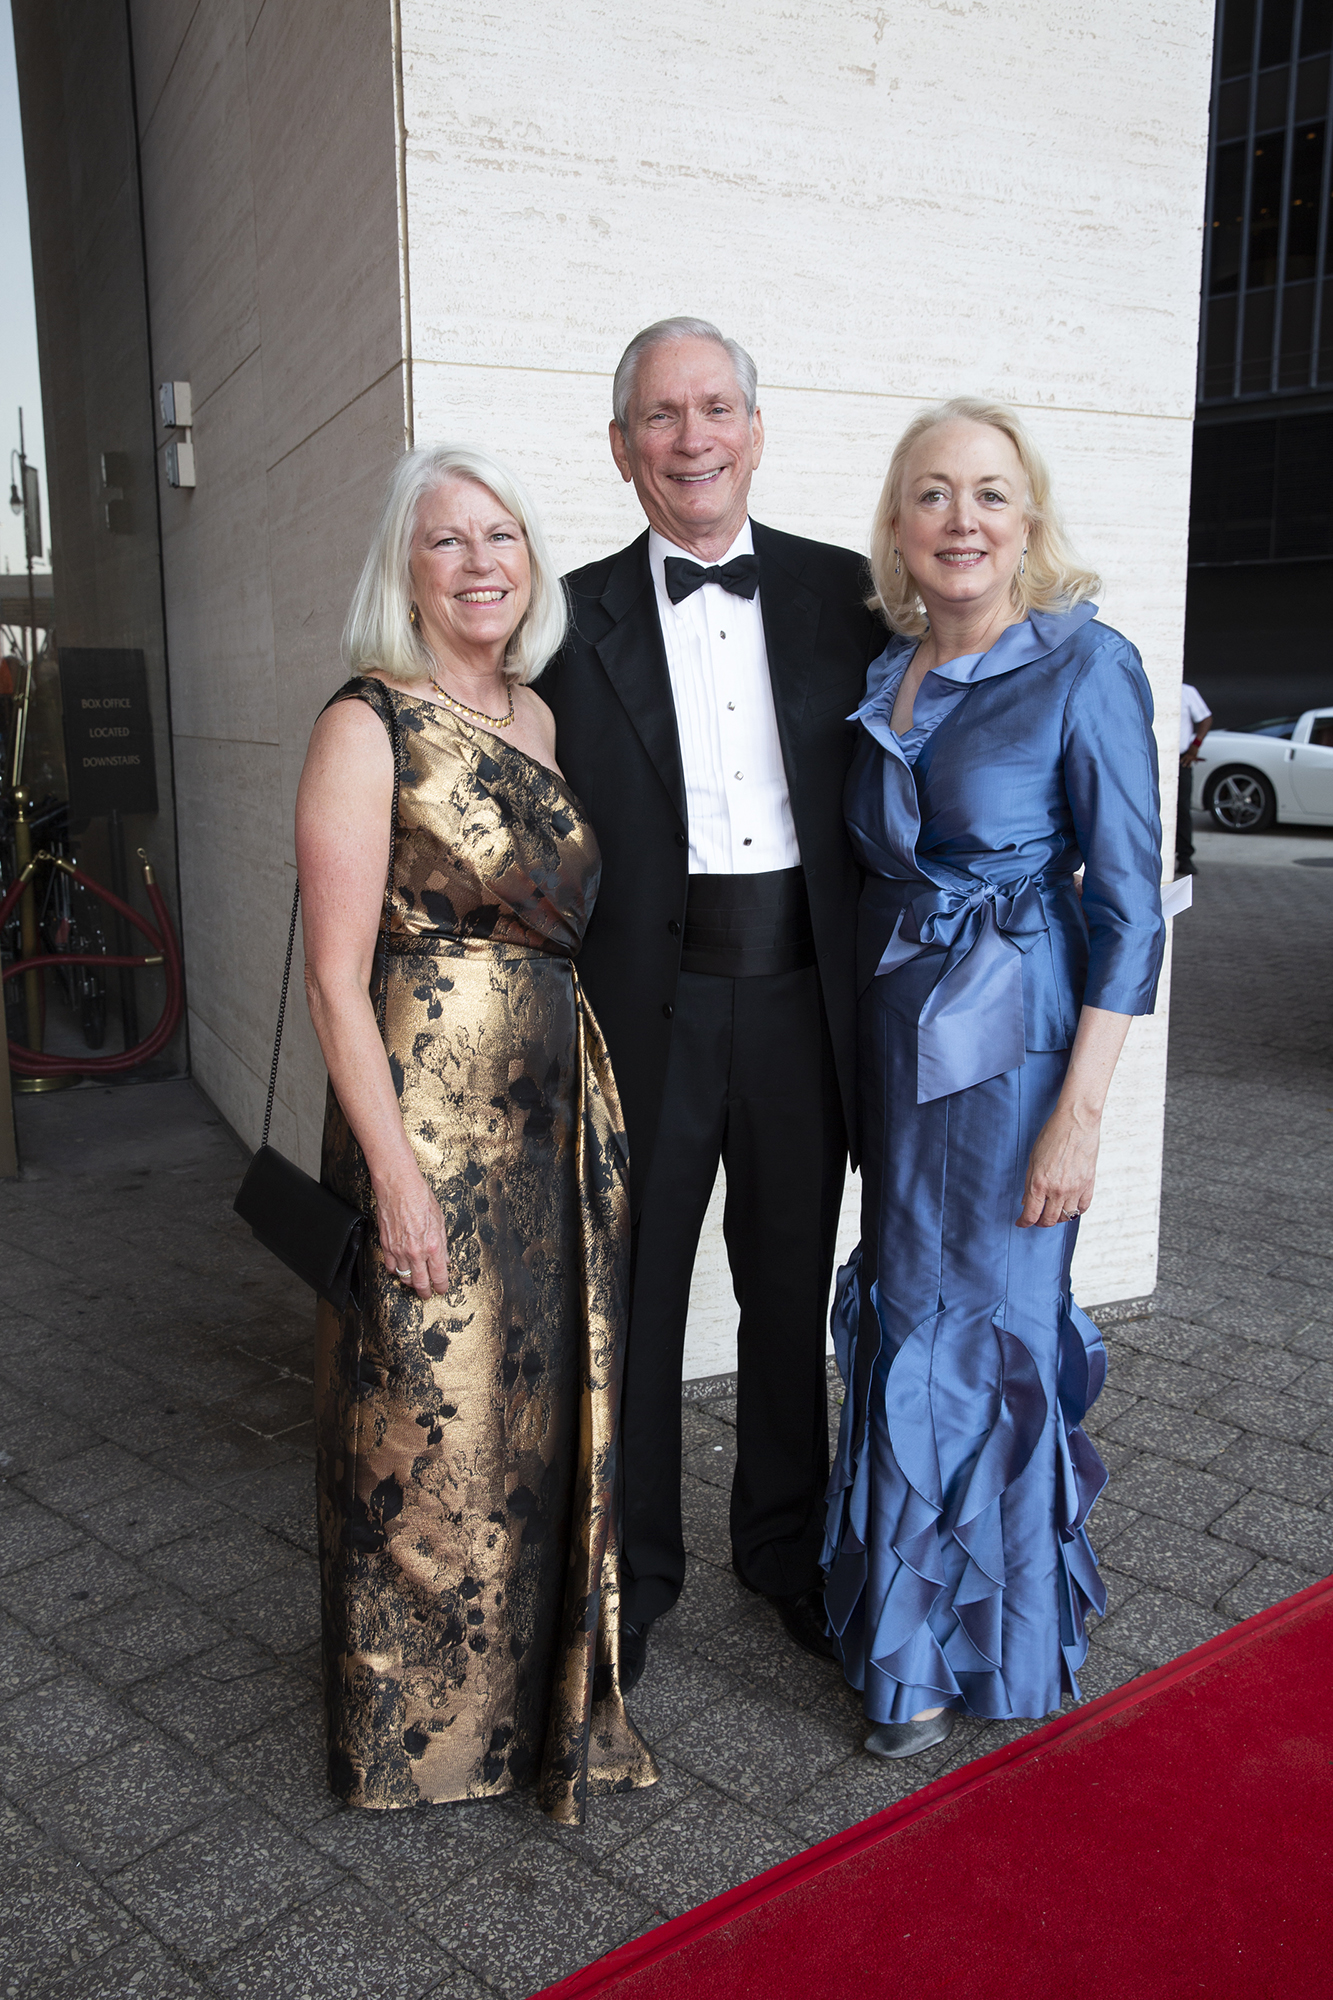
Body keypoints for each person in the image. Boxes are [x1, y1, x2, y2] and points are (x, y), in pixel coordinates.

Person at [294, 443, 658, 1822]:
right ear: (408, 569)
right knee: (419, 1422)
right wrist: (393, 1177)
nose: (480, 562)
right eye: (447, 541)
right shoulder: (366, 725)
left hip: (549, 1123)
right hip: (424, 1125)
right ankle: (415, 1742)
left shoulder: (537, 721)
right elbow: (336, 977)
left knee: (528, 1422)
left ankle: (524, 1709)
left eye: (500, 536)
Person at [541, 319, 883, 1689]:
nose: (692, 437)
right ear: (622, 447)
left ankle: (785, 1551)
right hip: (645, 1013)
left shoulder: (852, 596)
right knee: (633, 1298)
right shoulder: (565, 617)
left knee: (787, 1290)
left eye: (716, 407)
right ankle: (633, 1569)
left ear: (754, 426)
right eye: (662, 416)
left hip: (803, 1005)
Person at [823, 398, 1165, 1759]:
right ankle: (904, 1633)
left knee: (995, 1332)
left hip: (1017, 1059)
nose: (960, 521)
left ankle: (984, 1650)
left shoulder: (1086, 665)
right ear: (897, 527)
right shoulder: (889, 666)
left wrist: (1078, 1118)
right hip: (903, 1057)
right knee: (909, 1315)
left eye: (988, 495)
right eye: (931, 495)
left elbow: (1132, 910)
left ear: (1028, 520)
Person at [1176, 682, 1212, 875]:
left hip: (1181, 759)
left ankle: (1185, 857)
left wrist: (1195, 745)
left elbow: (1206, 718)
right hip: (1152, 755)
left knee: (1182, 808)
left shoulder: (1186, 692)